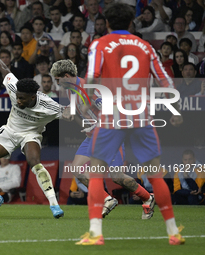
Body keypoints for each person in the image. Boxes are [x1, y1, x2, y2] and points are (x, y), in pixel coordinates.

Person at [78, 2, 184, 245]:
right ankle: (173, 232)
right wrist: (175, 110)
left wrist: (84, 103)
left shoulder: (100, 44)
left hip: (111, 117)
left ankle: (96, 234)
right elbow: (166, 81)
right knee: (156, 176)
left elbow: (91, 78)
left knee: (95, 175)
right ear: (130, 22)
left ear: (105, 23)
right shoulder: (145, 46)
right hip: (141, 116)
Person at [51, 59, 156, 218]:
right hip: (93, 137)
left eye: (58, 80)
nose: (57, 83)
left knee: (117, 177)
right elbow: (76, 108)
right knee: (76, 169)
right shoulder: (71, 90)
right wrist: (67, 111)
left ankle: (148, 197)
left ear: (66, 76)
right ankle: (107, 199)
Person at [0, 39, 65, 219]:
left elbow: (71, 114)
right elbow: (4, 69)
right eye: (17, 97)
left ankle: (54, 204)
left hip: (30, 134)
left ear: (33, 97)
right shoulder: (14, 88)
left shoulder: (49, 105)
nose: (18, 101)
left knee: (35, 162)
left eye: (22, 99)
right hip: (10, 130)